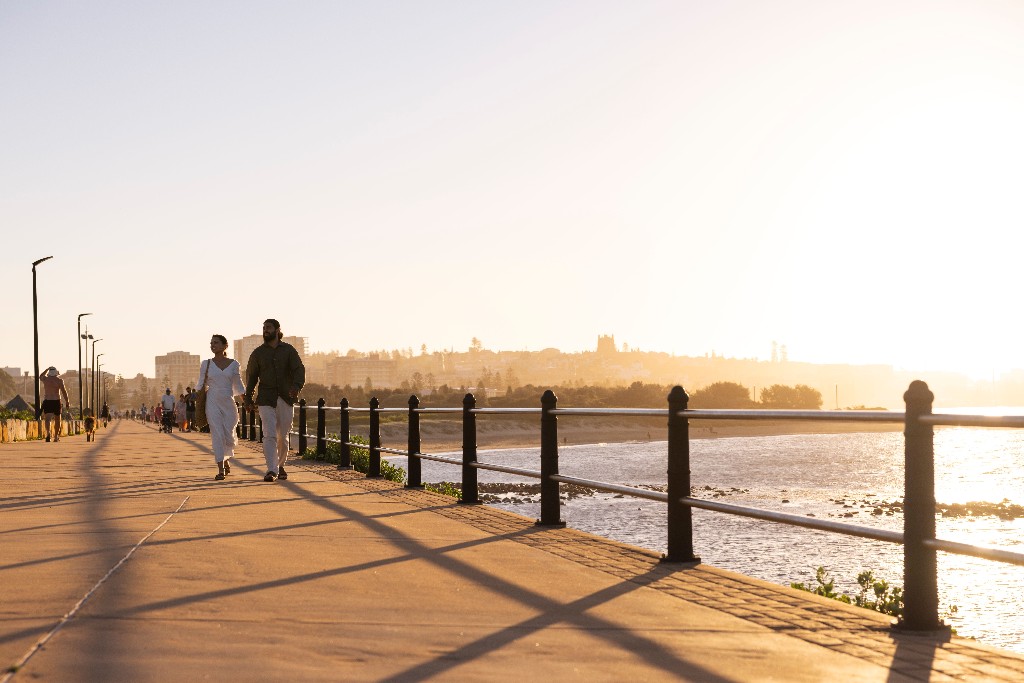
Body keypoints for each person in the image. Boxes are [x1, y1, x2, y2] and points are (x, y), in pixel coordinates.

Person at [243, 319, 305, 482]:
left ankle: (280, 464)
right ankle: (272, 469)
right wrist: (248, 399)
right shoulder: (257, 353)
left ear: (277, 330)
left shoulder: (289, 350)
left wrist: (296, 387)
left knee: (283, 436)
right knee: (269, 434)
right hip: (265, 398)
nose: (265, 330)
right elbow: (251, 378)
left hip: (286, 397)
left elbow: (299, 370)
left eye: (268, 328)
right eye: (264, 328)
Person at [196, 334, 246, 480]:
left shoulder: (234, 364)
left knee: (228, 435)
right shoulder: (206, 364)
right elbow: (200, 383)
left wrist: (247, 401)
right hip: (212, 401)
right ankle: (220, 469)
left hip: (228, 402)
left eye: (216, 343)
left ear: (225, 346)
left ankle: (226, 459)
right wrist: (193, 395)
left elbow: (239, 386)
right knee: (217, 434)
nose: (213, 345)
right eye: (211, 343)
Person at [39, 367, 70, 442]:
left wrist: (46, 369)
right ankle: (56, 436)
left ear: (49, 373)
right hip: (56, 401)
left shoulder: (45, 379)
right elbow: (64, 391)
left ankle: (48, 434)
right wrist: (67, 401)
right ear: (56, 373)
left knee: (47, 419)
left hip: (48, 400)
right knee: (57, 419)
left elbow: (40, 376)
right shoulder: (59, 380)